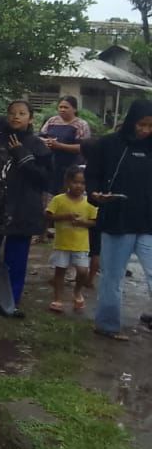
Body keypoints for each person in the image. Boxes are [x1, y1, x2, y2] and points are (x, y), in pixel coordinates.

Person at [0, 100, 50, 316]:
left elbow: (44, 180)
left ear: (30, 118)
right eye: (13, 113)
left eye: (22, 113)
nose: (16, 117)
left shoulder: (37, 145)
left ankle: (10, 302)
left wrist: (22, 154)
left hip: (23, 208)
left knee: (17, 257)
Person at [87, 99, 152, 340]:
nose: (145, 130)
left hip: (149, 222)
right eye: (142, 124)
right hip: (117, 220)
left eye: (151, 126)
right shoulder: (108, 145)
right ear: (131, 121)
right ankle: (107, 325)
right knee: (112, 277)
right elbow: (92, 175)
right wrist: (95, 195)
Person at [45, 166, 98, 313]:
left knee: (82, 271)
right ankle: (57, 298)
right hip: (62, 243)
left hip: (81, 244)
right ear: (68, 182)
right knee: (60, 272)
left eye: (82, 183)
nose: (79, 186)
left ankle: (77, 291)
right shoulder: (58, 199)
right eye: (75, 182)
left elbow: (94, 222)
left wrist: (82, 223)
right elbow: (48, 215)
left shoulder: (89, 203)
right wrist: (64, 217)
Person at [41, 95, 91, 195]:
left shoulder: (81, 124)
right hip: (51, 164)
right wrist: (45, 142)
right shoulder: (52, 121)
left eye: (66, 107)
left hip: (71, 166)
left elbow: (82, 148)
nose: (62, 110)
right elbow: (40, 137)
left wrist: (59, 146)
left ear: (74, 109)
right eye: (60, 107)